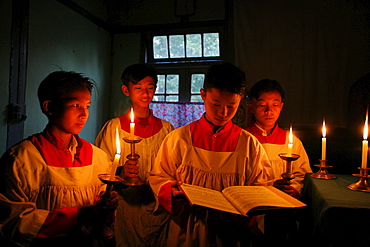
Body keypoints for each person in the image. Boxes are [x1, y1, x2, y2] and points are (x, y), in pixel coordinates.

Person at [148, 62, 274, 246]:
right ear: (203, 95)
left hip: (231, 231)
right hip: (187, 228)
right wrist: (170, 190)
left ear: (241, 100)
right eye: (216, 104)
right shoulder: (179, 138)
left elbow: (262, 186)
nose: (223, 113)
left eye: (231, 106)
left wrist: (250, 209)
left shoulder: (249, 145)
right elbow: (159, 176)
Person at [0, 71, 119, 247]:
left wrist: (106, 206)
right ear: (48, 107)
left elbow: (102, 213)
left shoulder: (98, 157)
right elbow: (13, 222)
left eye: (87, 106)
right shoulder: (21, 160)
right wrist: (80, 214)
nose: (84, 114)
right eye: (75, 105)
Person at [94, 63, 174, 247]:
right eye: (138, 88)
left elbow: (172, 168)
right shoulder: (113, 127)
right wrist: (121, 172)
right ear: (126, 90)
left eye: (150, 88)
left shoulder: (166, 129)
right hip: (124, 208)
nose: (145, 94)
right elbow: (101, 168)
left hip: (156, 206)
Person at [245, 79, 312, 245]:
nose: (269, 111)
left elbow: (302, 174)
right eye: (262, 105)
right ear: (251, 107)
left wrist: (292, 188)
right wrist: (268, 189)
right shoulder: (243, 138)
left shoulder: (291, 141)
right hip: (254, 209)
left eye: (275, 105)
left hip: (283, 210)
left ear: (281, 106)